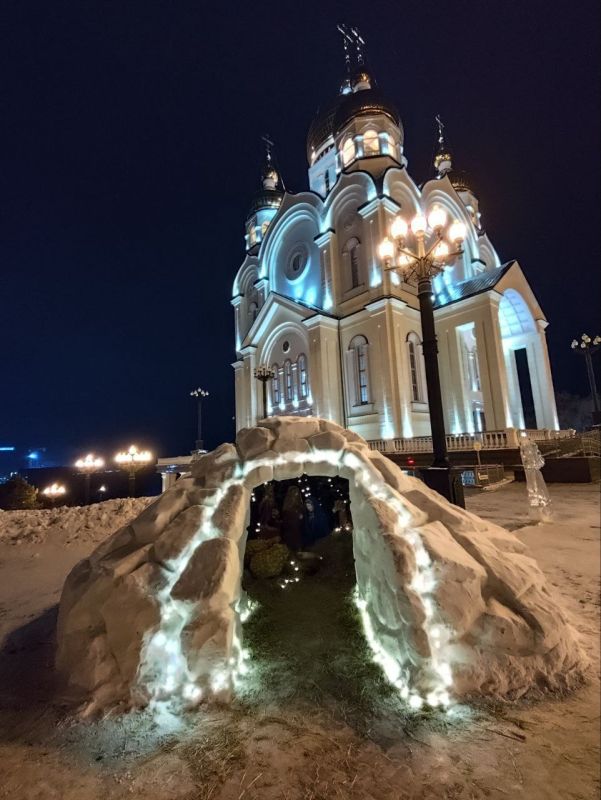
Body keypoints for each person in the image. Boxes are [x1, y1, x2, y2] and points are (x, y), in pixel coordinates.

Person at [281, 485, 305, 550]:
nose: (296, 494)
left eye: (297, 492)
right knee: (293, 535)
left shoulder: (299, 501)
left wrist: (300, 514)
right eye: (294, 492)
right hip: (291, 523)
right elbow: (285, 511)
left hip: (298, 523)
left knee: (298, 534)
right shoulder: (288, 502)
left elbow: (301, 508)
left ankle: (298, 548)